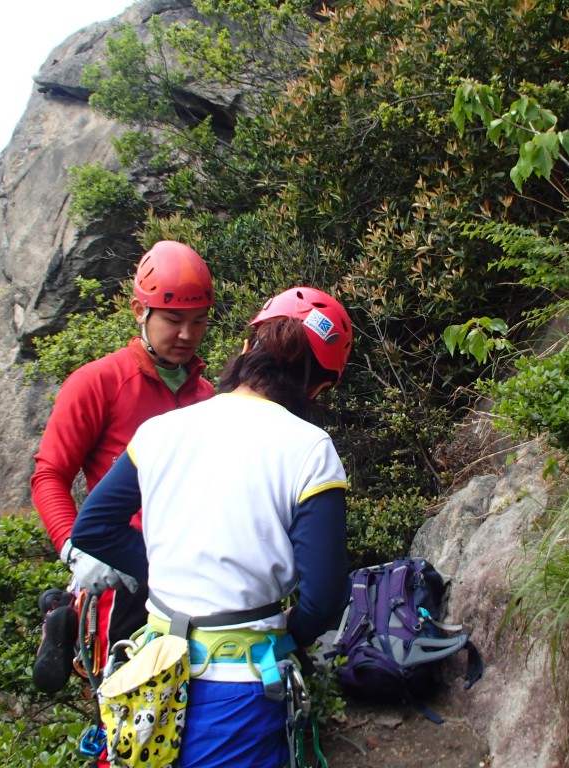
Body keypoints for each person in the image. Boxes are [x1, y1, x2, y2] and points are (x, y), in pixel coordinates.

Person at [70, 286, 353, 767]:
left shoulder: (161, 430)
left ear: (247, 348)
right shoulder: (310, 448)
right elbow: (325, 597)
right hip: (241, 689)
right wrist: (287, 635)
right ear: (319, 385)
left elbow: (93, 527)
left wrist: (162, 567)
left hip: (151, 674)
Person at [30, 240, 216, 698]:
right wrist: (74, 548)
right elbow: (50, 473)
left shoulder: (206, 396)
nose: (187, 335)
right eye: (173, 320)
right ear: (140, 310)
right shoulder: (98, 383)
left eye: (198, 321)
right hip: (120, 577)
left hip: (188, 576)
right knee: (128, 715)